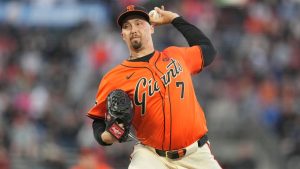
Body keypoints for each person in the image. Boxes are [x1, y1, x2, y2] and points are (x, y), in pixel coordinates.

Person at [87, 4, 222, 169]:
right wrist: (108, 136)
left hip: (196, 153)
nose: (133, 29)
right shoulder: (114, 77)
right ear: (123, 35)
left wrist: (174, 19)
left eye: (139, 23)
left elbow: (208, 51)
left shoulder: (176, 55)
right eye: (127, 27)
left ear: (151, 28)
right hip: (151, 156)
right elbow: (98, 120)